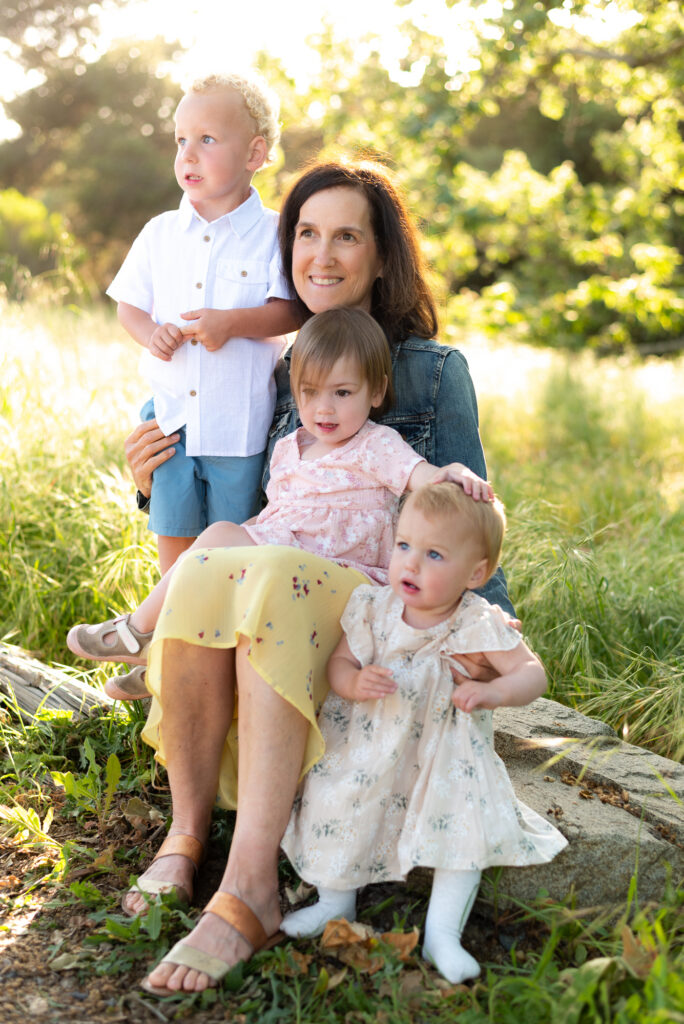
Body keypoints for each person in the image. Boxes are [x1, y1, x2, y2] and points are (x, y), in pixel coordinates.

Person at [112, 159, 518, 998]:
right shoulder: (277, 365)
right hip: (283, 582)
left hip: (367, 605)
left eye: (346, 236)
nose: (321, 254)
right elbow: (254, 504)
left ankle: (250, 885)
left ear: (380, 258)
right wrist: (148, 480)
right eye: (305, 233)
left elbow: (467, 519)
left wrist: (484, 649)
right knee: (225, 558)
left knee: (272, 578)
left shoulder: (432, 372)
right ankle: (185, 841)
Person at [68, 308, 493, 698]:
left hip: (342, 573)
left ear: (377, 391)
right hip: (285, 563)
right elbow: (275, 515)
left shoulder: (377, 445)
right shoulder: (290, 447)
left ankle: (140, 632)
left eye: (342, 393)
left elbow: (423, 477)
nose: (324, 408)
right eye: (309, 392)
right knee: (221, 547)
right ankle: (166, 649)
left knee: (223, 542)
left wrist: (451, 473)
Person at [279, 482, 567, 984]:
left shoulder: (477, 621)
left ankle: (442, 934)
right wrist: (352, 681)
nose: (410, 564)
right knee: (334, 800)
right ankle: (334, 902)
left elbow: (532, 672)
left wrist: (493, 693)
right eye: (404, 546)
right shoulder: (374, 606)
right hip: (367, 747)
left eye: (434, 554)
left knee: (466, 827)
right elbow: (340, 663)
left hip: (445, 756)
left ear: (476, 573)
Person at [107, 71, 299, 573]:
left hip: (239, 425)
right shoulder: (160, 233)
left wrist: (233, 322)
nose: (187, 154)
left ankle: (221, 633)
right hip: (171, 421)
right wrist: (152, 334)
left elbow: (291, 309)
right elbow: (128, 305)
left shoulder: (274, 233)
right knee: (174, 535)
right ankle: (168, 626)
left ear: (254, 154)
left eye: (207, 140)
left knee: (231, 546)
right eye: (181, 140)